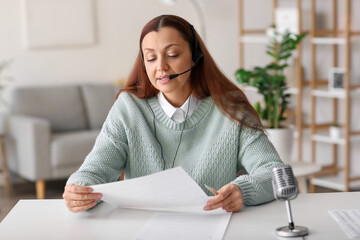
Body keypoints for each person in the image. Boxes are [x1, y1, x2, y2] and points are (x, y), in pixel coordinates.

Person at [63, 14, 283, 213]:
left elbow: (274, 171)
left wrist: (243, 190)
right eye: (150, 58)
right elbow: (94, 170)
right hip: (142, 229)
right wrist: (78, 189)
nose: (161, 67)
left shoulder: (231, 109)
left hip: (212, 227)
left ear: (195, 57)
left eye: (172, 54)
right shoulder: (128, 108)